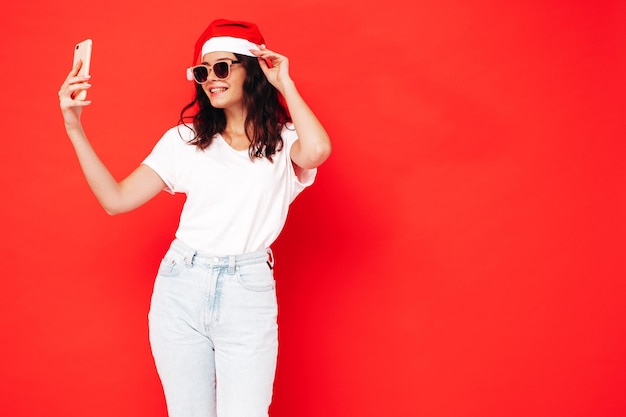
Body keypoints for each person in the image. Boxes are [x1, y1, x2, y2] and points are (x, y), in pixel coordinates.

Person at [58, 18, 331, 417]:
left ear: (251, 69)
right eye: (203, 72)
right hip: (181, 286)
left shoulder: (285, 140)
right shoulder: (184, 141)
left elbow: (319, 150)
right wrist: (73, 126)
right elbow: (115, 200)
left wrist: (284, 83)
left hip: (247, 290)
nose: (210, 80)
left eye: (222, 67)